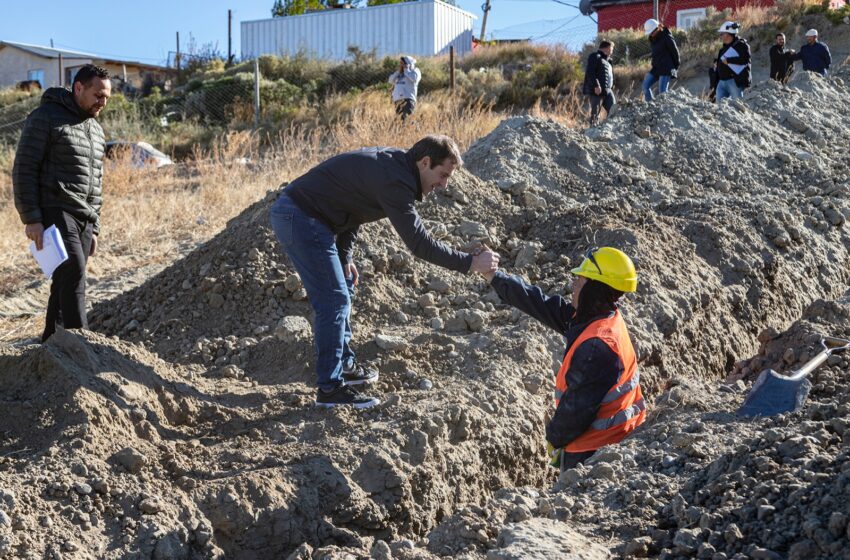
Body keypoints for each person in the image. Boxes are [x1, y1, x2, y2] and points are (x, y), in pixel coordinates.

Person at [269, 135, 500, 409]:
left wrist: (344, 257)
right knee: (333, 299)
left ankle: (343, 365)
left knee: (345, 284)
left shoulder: (396, 168)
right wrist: (470, 263)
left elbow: (353, 205)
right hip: (300, 217)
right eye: (442, 174)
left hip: (311, 218)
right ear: (425, 162)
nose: (443, 184)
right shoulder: (396, 181)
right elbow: (419, 243)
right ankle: (330, 390)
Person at [480, 247, 645, 470]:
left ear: (594, 288)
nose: (573, 285)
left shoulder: (598, 348)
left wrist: (554, 439)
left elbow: (576, 411)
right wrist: (494, 276)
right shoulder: (600, 318)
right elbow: (538, 303)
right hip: (613, 441)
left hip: (593, 454)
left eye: (580, 280)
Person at [12, 64, 111, 342]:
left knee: (64, 280)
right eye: (97, 94)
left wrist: (95, 226)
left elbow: (96, 183)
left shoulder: (96, 130)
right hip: (55, 207)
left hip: (84, 217)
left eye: (106, 97)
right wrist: (31, 217)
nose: (102, 102)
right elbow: (24, 167)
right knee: (73, 271)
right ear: (78, 88)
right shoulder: (45, 117)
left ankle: (52, 345)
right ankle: (81, 343)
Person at [642, 19, 680, 101]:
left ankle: (665, 110)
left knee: (662, 92)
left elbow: (675, 51)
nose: (651, 34)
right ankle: (651, 106)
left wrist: (675, 66)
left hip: (666, 68)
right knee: (645, 86)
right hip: (656, 68)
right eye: (650, 33)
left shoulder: (666, 36)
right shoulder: (653, 40)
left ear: (657, 28)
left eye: (652, 32)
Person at [714, 21, 751, 101]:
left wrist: (729, 60)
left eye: (722, 34)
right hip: (722, 82)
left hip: (734, 82)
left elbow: (745, 59)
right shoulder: (724, 48)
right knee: (719, 109)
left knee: (738, 106)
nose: (721, 36)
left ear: (729, 34)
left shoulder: (742, 45)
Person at [582, 41, 615, 127]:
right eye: (611, 49)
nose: (612, 51)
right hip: (597, 91)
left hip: (608, 90)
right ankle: (592, 132)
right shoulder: (595, 56)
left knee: (614, 109)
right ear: (606, 48)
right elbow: (590, 72)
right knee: (595, 113)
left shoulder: (608, 61)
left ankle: (610, 128)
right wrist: (596, 85)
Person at [388, 56, 421, 122]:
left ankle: (416, 130)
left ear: (409, 64)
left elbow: (415, 79)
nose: (401, 65)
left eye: (403, 63)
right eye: (401, 63)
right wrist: (398, 72)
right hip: (398, 100)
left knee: (407, 119)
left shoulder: (415, 71)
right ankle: (413, 130)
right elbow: (390, 80)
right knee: (401, 122)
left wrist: (406, 69)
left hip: (408, 100)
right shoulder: (399, 74)